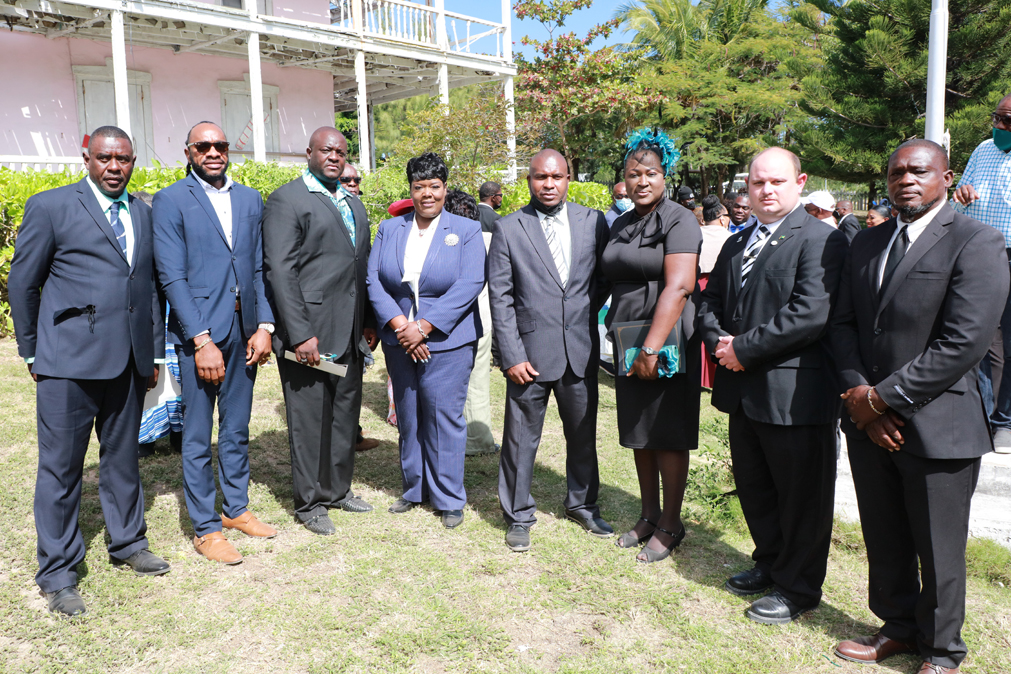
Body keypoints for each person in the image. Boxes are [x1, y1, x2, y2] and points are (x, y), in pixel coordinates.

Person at [830, 140, 1008, 674]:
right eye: (896, 172)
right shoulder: (867, 241)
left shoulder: (978, 241)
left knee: (939, 545)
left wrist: (882, 399)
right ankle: (898, 628)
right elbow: (843, 325)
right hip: (868, 422)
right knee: (883, 533)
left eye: (919, 170)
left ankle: (942, 650)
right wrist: (862, 399)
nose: (905, 179)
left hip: (940, 424)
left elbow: (964, 342)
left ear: (947, 177)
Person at [9, 126, 170, 616]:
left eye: (123, 159)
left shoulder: (143, 212)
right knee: (61, 470)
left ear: (134, 161)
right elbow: (23, 283)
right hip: (66, 365)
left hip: (128, 362)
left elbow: (149, 289)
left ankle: (128, 544)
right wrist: (33, 352)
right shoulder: (51, 206)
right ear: (86, 159)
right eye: (105, 158)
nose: (115, 167)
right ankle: (57, 572)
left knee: (122, 459)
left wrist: (155, 355)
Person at [697, 147, 848, 624]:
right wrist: (719, 341)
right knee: (757, 488)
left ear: (799, 182)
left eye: (777, 182)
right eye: (758, 182)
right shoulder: (737, 242)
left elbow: (810, 313)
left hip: (795, 395)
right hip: (743, 393)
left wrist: (744, 349)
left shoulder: (822, 240)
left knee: (802, 497)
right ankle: (770, 562)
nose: (765, 190)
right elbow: (711, 303)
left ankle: (798, 588)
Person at [153, 122, 278, 564]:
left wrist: (264, 324)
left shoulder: (248, 199)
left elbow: (259, 268)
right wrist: (201, 338)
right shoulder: (170, 201)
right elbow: (171, 277)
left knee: (238, 428)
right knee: (197, 433)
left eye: (220, 145)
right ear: (188, 152)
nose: (213, 152)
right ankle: (206, 528)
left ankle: (237, 509)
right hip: (201, 337)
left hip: (245, 332)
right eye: (203, 146)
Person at [488, 149, 612, 552]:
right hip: (529, 354)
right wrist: (511, 354)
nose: (549, 184)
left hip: (579, 349)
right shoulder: (510, 228)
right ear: (529, 181)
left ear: (568, 179)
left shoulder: (593, 222)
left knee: (583, 434)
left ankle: (582, 503)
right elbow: (501, 298)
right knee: (521, 438)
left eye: (556, 177)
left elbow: (601, 281)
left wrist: (581, 319)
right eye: (541, 177)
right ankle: (518, 514)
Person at [262, 127, 377, 536]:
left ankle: (337, 490)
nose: (335, 156)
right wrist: (299, 333)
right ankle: (309, 502)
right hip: (308, 334)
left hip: (349, 331)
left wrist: (368, 323)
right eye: (327, 150)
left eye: (342, 152)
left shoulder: (352, 203)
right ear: (308, 152)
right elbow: (280, 271)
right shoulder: (287, 200)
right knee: (310, 420)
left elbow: (359, 267)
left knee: (345, 414)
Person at [367, 153, 485, 529]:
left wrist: (426, 325)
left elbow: (470, 283)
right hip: (400, 338)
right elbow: (374, 280)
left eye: (435, 186)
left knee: (444, 416)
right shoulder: (390, 228)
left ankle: (449, 497)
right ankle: (414, 488)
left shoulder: (465, 230)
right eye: (419, 187)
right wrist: (404, 325)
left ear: (445, 189)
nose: (427, 194)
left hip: (448, 340)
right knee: (409, 413)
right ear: (411, 190)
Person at [600, 128, 702, 563]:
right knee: (640, 433)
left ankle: (671, 523)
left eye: (652, 174)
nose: (642, 181)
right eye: (634, 173)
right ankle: (648, 514)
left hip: (666, 342)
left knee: (668, 433)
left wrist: (651, 348)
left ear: (666, 177)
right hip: (626, 339)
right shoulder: (623, 222)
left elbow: (678, 287)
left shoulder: (680, 220)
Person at [952, 92, 1011, 454]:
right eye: (997, 118)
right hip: (981, 255)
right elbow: (962, 191)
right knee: (978, 339)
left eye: (1009, 122)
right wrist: (961, 194)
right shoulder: (983, 149)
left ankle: (1004, 422)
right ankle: (983, 414)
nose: (1000, 127)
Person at [444, 190, 499, 456]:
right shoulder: (491, 238)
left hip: (450, 323)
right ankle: (479, 439)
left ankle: (465, 439)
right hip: (482, 319)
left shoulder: (446, 240)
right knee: (478, 381)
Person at [338, 162, 382, 453]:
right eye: (346, 179)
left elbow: (367, 271)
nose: (353, 184)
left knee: (353, 380)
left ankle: (352, 434)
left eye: (357, 179)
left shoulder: (360, 212)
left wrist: (370, 319)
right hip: (331, 316)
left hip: (358, 316)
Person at [698, 194, 733, 390]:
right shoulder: (731, 238)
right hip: (718, 287)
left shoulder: (695, 234)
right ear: (722, 218)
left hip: (697, 283)